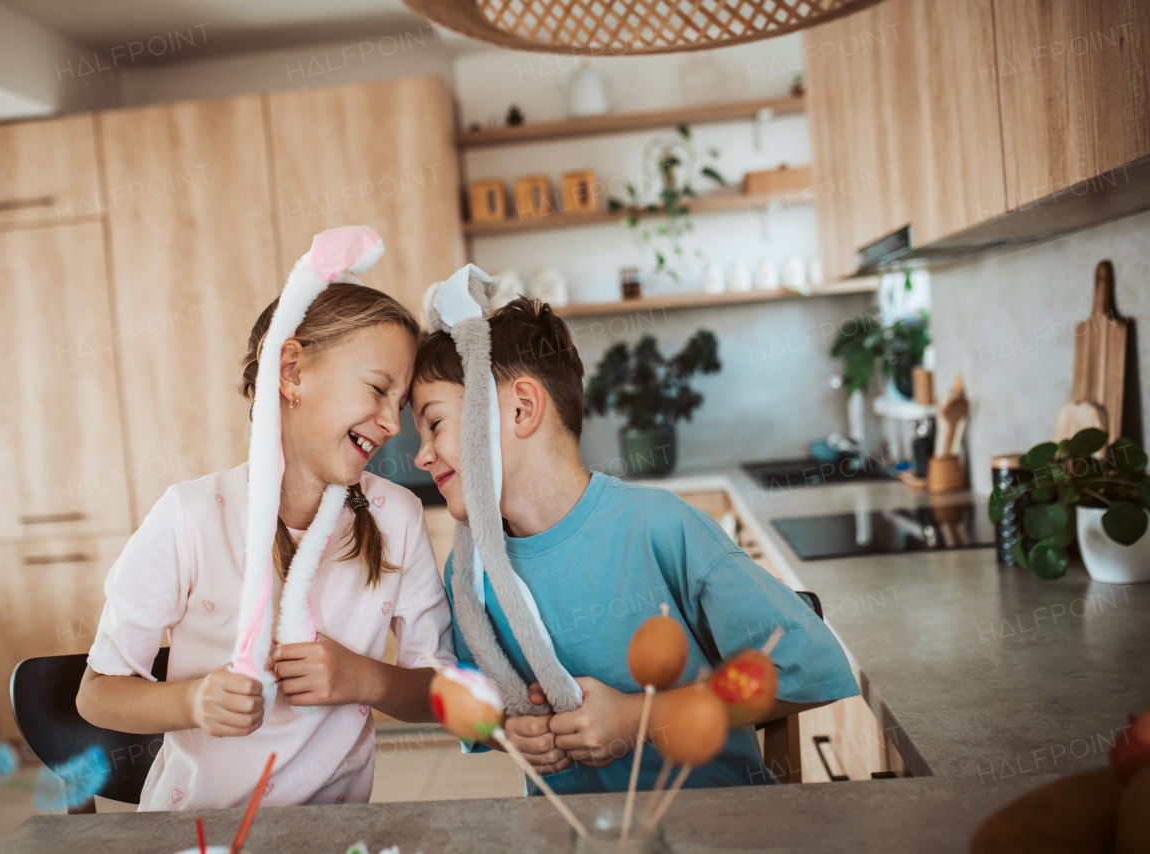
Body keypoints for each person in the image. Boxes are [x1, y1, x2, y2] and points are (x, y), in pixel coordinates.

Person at [411, 279, 859, 794]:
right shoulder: (469, 574)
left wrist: (639, 718)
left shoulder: (658, 528)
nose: (422, 455)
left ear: (520, 409)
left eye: (435, 424)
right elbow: (480, 703)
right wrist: (508, 732)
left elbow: (808, 662)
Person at [77, 227, 454, 810]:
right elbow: (97, 695)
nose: (393, 424)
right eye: (378, 390)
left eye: (399, 405)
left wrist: (366, 680)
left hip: (332, 829)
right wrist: (193, 701)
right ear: (292, 372)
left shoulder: (396, 517)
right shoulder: (190, 516)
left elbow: (441, 690)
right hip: (196, 831)